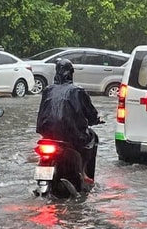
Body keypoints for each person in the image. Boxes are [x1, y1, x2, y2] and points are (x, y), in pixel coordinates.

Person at [36, 58, 103, 186]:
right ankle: (84, 173)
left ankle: (42, 181)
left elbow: (42, 112)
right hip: (71, 137)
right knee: (92, 137)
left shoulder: (48, 89)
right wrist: (96, 120)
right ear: (71, 72)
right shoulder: (78, 91)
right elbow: (91, 113)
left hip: (47, 135)